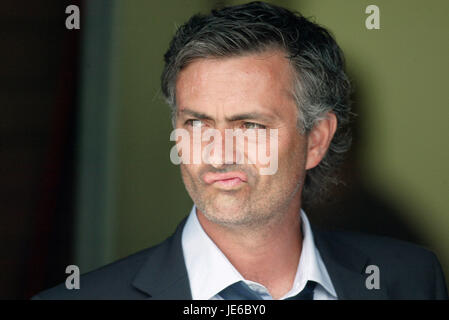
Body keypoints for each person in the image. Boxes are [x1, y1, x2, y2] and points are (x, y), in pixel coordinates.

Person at [33, 1, 447, 300]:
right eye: (196, 123)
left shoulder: (409, 280)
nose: (218, 154)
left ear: (316, 140)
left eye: (249, 125)